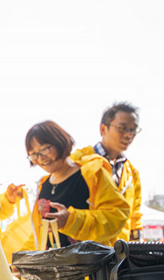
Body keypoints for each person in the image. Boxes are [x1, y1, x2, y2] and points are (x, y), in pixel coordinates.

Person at [25, 120, 129, 249]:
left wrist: (71, 221)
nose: (40, 158)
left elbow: (117, 216)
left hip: (92, 264)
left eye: (44, 149)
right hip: (54, 266)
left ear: (60, 142)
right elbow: (39, 233)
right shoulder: (43, 184)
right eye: (34, 154)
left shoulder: (92, 173)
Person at [73, 102, 142, 242]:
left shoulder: (132, 173)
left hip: (120, 253)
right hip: (87, 250)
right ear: (103, 129)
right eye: (122, 128)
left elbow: (134, 217)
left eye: (133, 130)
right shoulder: (80, 162)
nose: (129, 135)